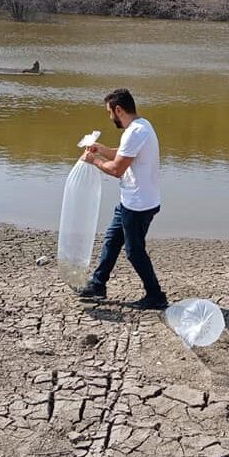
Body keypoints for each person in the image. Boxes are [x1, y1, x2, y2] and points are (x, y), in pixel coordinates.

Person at [78, 89, 168, 310]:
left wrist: (94, 160)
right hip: (132, 200)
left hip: (139, 204)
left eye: (110, 112)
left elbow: (117, 169)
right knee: (112, 239)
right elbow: (123, 153)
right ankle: (98, 285)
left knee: (134, 252)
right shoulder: (142, 126)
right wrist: (101, 150)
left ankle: (156, 296)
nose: (110, 118)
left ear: (118, 110)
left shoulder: (134, 132)